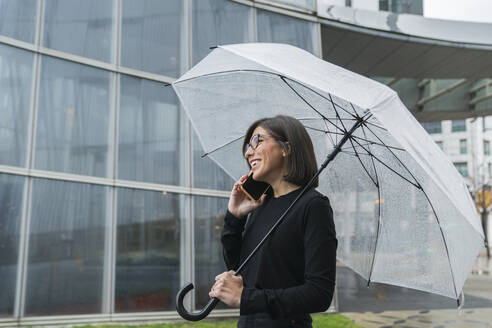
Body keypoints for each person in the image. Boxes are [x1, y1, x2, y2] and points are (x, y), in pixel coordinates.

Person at [208, 115, 338, 328]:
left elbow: (319, 294)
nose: (248, 152)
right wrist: (235, 217)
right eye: (248, 146)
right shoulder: (261, 205)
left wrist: (246, 298)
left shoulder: (313, 206)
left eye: (257, 141)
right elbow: (239, 271)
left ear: (286, 148)